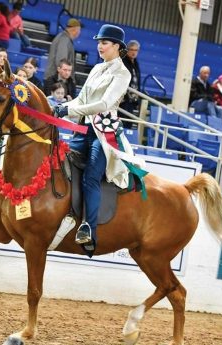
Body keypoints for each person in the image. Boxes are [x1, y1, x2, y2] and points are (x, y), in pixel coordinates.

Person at [52, 24, 146, 254]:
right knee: (58, 158)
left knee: (91, 177)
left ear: (116, 46)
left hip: (103, 134)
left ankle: (88, 229)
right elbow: (82, 98)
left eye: (104, 42)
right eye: (99, 42)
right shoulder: (96, 69)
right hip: (82, 130)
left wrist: (72, 111)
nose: (99, 46)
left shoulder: (123, 73)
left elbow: (104, 104)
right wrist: (63, 107)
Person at [44, 18, 81, 83]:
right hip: (56, 81)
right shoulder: (64, 40)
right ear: (75, 30)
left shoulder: (63, 38)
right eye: (79, 29)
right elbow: (62, 61)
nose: (79, 32)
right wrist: (64, 81)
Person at [119, 40, 141, 128]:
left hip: (132, 100)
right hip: (123, 99)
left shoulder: (135, 63)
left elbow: (137, 80)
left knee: (129, 123)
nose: (134, 52)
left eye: (136, 50)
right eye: (131, 50)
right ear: (127, 50)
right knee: (122, 122)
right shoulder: (123, 61)